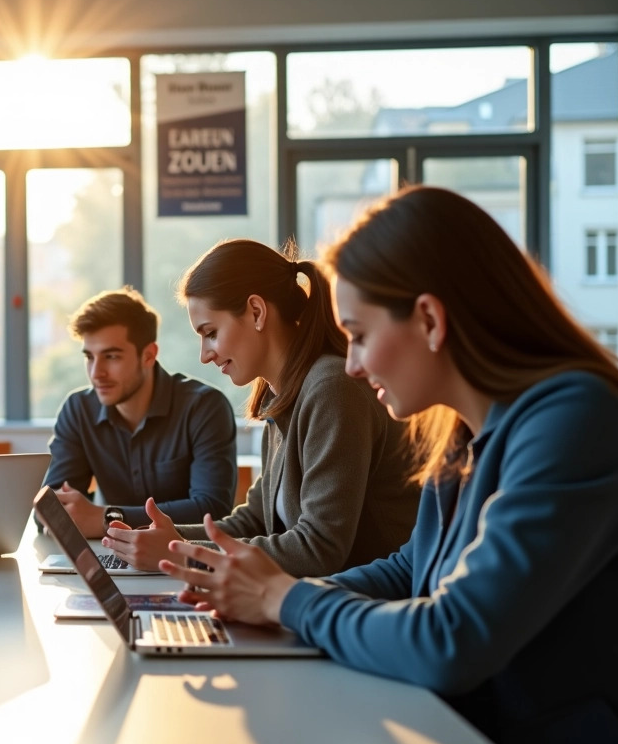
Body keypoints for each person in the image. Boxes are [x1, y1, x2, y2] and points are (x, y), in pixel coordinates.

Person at [162, 186, 618, 744]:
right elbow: (413, 566)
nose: (352, 364)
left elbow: (452, 638)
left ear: (431, 321)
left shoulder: (575, 420)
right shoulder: (463, 429)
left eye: (357, 334)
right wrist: (267, 597)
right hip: (475, 741)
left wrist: (286, 602)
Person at [103, 240, 418, 575]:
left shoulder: (332, 390)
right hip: (313, 601)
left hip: (360, 608)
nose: (204, 355)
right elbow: (255, 520)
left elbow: (319, 548)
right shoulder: (279, 397)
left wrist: (183, 554)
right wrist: (168, 542)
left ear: (256, 311)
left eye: (210, 333)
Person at [43, 287, 238, 538]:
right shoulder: (78, 410)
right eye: (90, 357)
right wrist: (77, 514)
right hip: (112, 555)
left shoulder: (204, 407)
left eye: (111, 356)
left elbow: (212, 511)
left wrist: (107, 518)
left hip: (183, 559)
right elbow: (51, 512)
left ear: (148, 355)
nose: (96, 373)